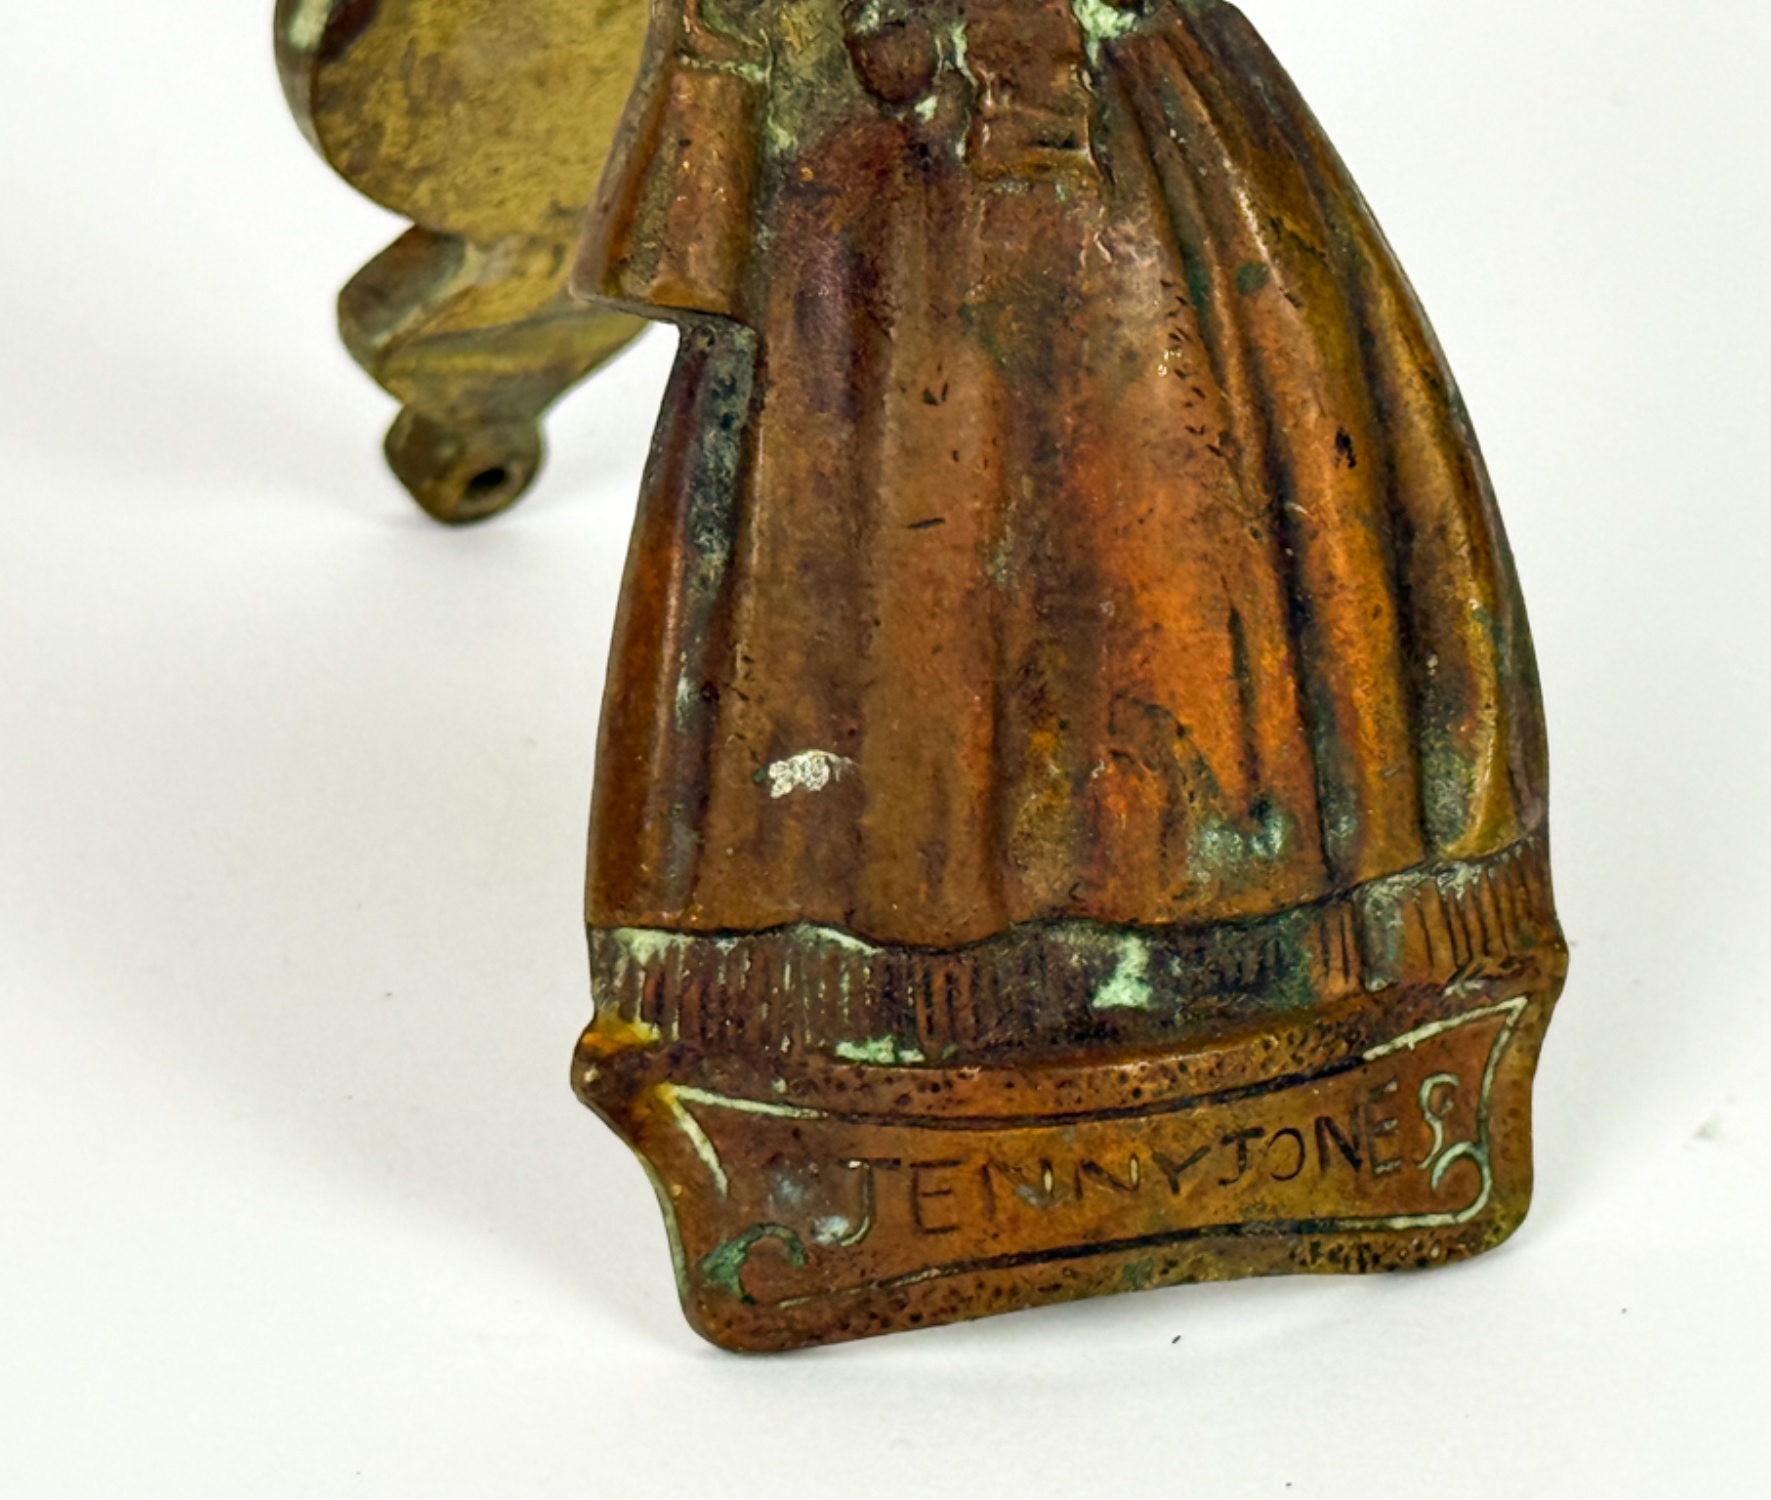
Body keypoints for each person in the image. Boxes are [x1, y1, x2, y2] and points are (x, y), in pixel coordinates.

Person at [572, 0, 1558, 1063]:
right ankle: (912, 972)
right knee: (906, 569)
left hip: (1109, 137)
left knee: (1186, 531)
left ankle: (1252, 954)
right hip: (877, 194)